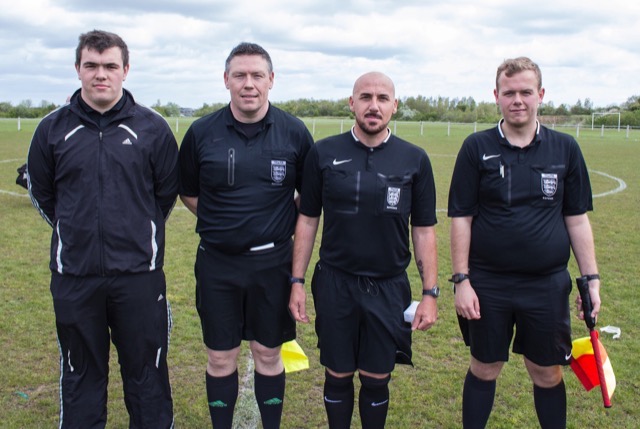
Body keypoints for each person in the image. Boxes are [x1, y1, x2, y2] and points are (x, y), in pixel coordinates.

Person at [26, 30, 178, 428]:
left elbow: (164, 196)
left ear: (125, 70)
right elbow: (43, 194)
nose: (101, 75)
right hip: (75, 278)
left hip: (139, 279)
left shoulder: (153, 128)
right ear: (78, 69)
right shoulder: (51, 129)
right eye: (91, 65)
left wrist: (131, 232)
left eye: (110, 66)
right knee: (81, 375)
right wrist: (76, 235)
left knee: (147, 377)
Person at [447, 57, 601, 429]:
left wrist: (591, 279)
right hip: (487, 283)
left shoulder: (565, 149)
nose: (518, 99)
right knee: (484, 367)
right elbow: (461, 218)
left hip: (546, 284)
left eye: (526, 92)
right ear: (496, 96)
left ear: (541, 95)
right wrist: (462, 280)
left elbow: (577, 218)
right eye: (509, 92)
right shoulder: (475, 147)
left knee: (547, 372)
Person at [289, 71, 439, 429]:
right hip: (335, 283)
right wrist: (296, 280)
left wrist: (430, 292)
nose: (374, 106)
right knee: (338, 374)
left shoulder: (414, 159)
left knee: (376, 377)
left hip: (388, 286)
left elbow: (423, 229)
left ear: (395, 106)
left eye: (383, 98)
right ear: (352, 103)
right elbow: (308, 220)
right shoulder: (324, 153)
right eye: (366, 97)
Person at [178, 42, 314, 429]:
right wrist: (224, 223)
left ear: (271, 80)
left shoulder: (294, 132)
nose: (248, 83)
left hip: (272, 263)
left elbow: (309, 197)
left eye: (257, 75)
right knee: (220, 357)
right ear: (226, 80)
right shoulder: (202, 131)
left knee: (267, 354)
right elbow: (188, 190)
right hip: (217, 262)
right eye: (239, 75)